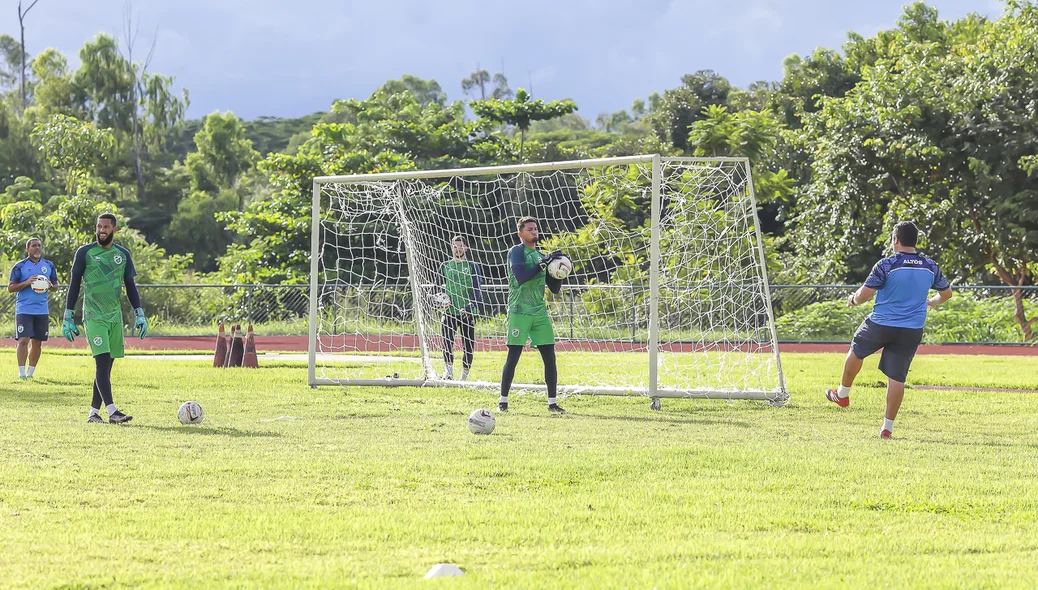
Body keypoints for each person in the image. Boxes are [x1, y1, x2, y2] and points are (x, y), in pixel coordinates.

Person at [825, 221, 953, 438]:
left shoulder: (887, 264)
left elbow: (864, 295)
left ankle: (843, 394)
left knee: (857, 349)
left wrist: (853, 300)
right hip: (912, 329)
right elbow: (947, 294)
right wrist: (931, 302)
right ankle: (887, 428)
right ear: (915, 241)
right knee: (897, 377)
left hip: (881, 323)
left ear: (895, 239)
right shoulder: (931, 266)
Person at [62, 213, 149, 424]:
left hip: (114, 317)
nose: (101, 230)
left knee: (106, 367)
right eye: (99, 226)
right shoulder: (84, 253)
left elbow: (130, 286)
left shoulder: (123, 255)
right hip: (93, 316)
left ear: (114, 229)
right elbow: (74, 284)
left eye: (106, 227)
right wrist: (68, 315)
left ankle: (93, 413)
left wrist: (139, 312)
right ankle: (112, 412)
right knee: (101, 362)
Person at [498, 216, 567, 414]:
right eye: (530, 229)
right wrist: (544, 264)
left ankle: (552, 403)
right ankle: (503, 401)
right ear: (521, 234)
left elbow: (554, 289)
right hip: (520, 311)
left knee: (550, 357)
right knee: (514, 356)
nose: (534, 232)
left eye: (536, 228)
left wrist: (560, 269)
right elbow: (521, 277)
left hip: (539, 312)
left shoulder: (541, 256)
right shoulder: (516, 252)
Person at [8, 238, 59, 379]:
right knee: (23, 340)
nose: (37, 248)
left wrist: (50, 285)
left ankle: (30, 374)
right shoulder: (20, 266)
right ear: (27, 249)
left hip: (42, 311)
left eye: (39, 246)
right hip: (24, 309)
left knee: (37, 343)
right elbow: (10, 288)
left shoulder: (48, 265)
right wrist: (27, 282)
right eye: (34, 246)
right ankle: (21, 373)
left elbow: (55, 286)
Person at [440, 236, 482, 381]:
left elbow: (477, 289)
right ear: (451, 247)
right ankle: (449, 374)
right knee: (447, 342)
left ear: (466, 248)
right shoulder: (445, 265)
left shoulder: (472, 266)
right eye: (455, 246)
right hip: (449, 311)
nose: (457, 249)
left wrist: (472, 305)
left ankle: (464, 377)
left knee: (468, 345)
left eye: (460, 246)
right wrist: (436, 299)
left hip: (467, 312)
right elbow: (435, 286)